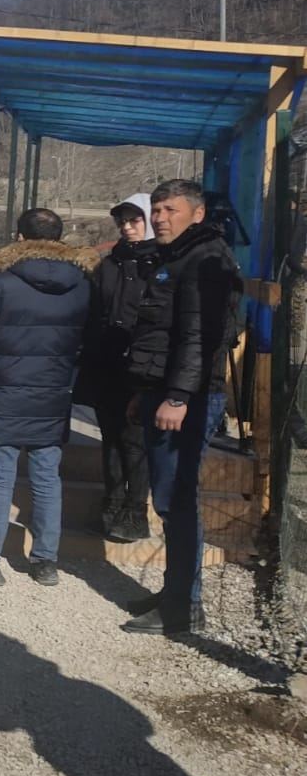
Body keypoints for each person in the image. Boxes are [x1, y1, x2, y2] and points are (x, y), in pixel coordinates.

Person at [121, 180, 241, 635]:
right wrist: (146, 391)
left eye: (170, 209)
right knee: (169, 501)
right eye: (155, 209)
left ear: (197, 213)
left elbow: (200, 338)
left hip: (187, 399)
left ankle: (182, 609)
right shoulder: (179, 256)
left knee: (178, 502)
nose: (159, 217)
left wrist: (177, 397)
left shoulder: (207, 259)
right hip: (165, 390)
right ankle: (175, 592)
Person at [0, 208, 96, 588]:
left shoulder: (0, 281)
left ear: (20, 238)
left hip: (2, 388)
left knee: (0, 477)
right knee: (47, 478)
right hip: (53, 391)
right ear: (60, 238)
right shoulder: (82, 283)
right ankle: (45, 563)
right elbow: (89, 340)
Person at [81, 194, 158, 542]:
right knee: (110, 438)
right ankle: (110, 506)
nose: (127, 227)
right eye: (123, 222)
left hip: (143, 367)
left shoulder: (163, 263)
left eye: (135, 220)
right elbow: (93, 311)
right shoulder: (108, 264)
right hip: (106, 363)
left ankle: (136, 511)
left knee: (136, 441)